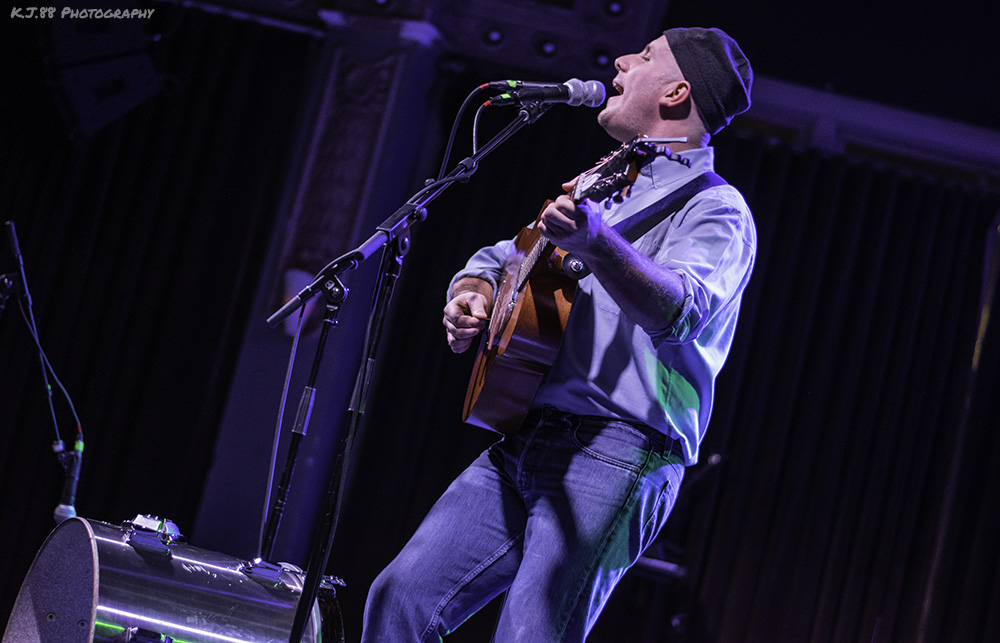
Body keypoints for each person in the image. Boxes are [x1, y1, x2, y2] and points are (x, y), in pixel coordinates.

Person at [362, 27, 756, 642]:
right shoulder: (604, 183)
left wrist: (599, 243)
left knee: (531, 635)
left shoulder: (717, 208)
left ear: (677, 92)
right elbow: (507, 255)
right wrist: (475, 291)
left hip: (618, 451)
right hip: (529, 434)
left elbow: (680, 311)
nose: (620, 61)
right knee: (399, 599)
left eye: (644, 56)